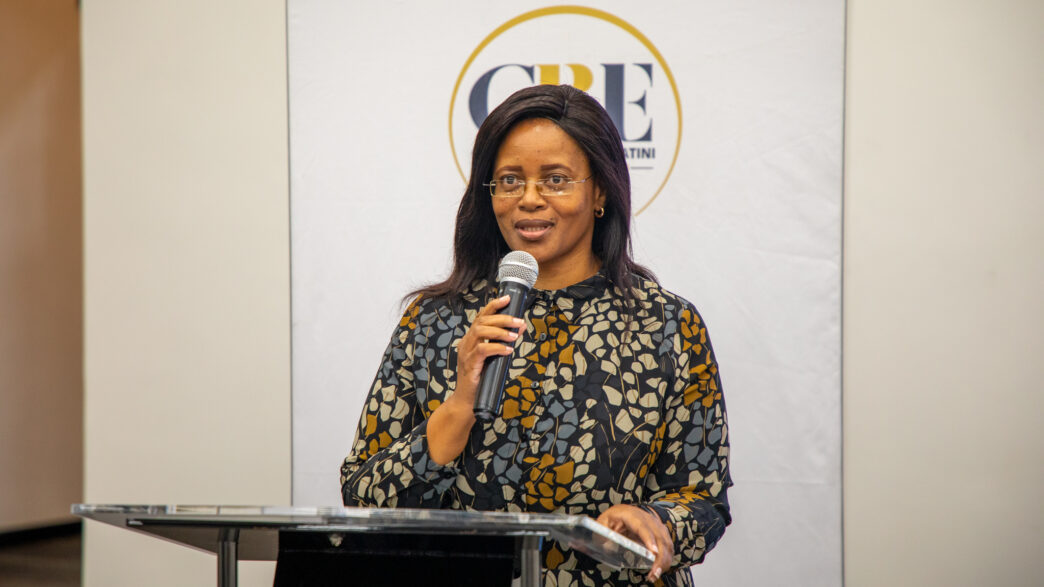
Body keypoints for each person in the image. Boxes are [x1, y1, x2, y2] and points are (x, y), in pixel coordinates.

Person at [340, 84, 731, 586]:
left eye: (555, 180)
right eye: (509, 180)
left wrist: (657, 524)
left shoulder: (667, 325)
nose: (528, 199)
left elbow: (704, 500)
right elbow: (361, 499)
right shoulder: (435, 321)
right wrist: (459, 407)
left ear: (601, 193)